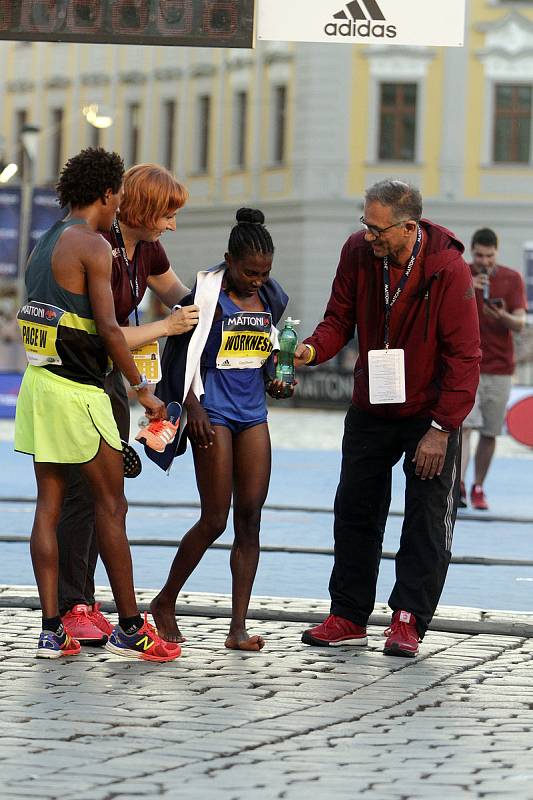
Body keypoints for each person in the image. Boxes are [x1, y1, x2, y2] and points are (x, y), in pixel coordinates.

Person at [296, 180, 480, 658]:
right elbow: (339, 318)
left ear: (410, 227)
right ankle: (348, 614)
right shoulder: (358, 252)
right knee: (355, 508)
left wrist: (442, 429)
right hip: (371, 406)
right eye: (365, 225)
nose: (368, 236)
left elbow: (464, 356)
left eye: (377, 229)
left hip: (429, 414)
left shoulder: (448, 269)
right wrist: (312, 350)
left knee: (425, 519)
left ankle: (407, 619)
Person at [14, 147, 181, 661]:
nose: (118, 210)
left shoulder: (46, 239)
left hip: (39, 385)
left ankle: (50, 629)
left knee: (49, 507)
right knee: (113, 506)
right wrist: (143, 391)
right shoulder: (93, 244)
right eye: (118, 199)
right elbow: (109, 329)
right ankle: (132, 626)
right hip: (81, 393)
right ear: (108, 194)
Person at [55, 162, 199, 645]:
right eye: (167, 215)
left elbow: (179, 295)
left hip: (112, 378)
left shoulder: (148, 247)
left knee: (107, 494)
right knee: (81, 492)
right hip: (81, 376)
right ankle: (73, 603)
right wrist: (165, 329)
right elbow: (105, 334)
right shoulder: (100, 247)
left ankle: (86, 601)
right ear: (141, 209)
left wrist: (227, 296)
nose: (172, 225)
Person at [150, 208, 290, 651]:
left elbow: (264, 351)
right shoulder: (206, 297)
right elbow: (181, 356)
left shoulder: (270, 298)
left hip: (253, 413)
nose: (257, 280)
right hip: (211, 413)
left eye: (265, 272)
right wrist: (191, 404)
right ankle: (164, 600)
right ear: (229, 261)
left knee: (250, 518)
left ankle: (237, 627)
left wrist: (275, 377)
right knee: (215, 517)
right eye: (250, 272)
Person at [459, 228, 527, 510]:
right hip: (467, 365)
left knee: (489, 432)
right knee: (464, 428)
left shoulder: (511, 279)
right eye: (478, 255)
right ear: (471, 253)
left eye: (488, 255)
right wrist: (467, 287)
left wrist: (503, 316)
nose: (484, 261)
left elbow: (521, 323)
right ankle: (459, 486)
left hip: (499, 368)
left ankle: (479, 486)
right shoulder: (461, 274)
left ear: (496, 253)